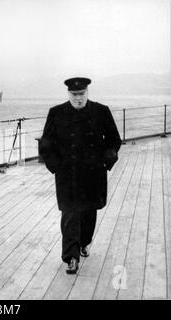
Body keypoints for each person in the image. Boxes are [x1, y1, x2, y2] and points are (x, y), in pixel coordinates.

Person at [39, 77, 122, 274]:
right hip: (68, 175)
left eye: (81, 94)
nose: (78, 99)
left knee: (88, 213)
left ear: (87, 93)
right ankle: (71, 257)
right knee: (70, 214)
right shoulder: (56, 113)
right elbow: (46, 144)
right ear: (69, 94)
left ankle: (84, 243)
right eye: (74, 95)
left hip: (93, 173)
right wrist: (56, 166)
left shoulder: (101, 111)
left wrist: (106, 161)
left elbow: (114, 140)